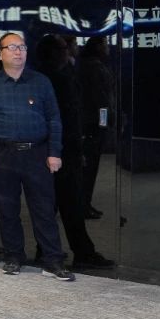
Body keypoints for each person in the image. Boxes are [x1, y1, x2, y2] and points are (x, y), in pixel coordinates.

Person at [0, 33, 75, 282]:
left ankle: (53, 260)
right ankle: (13, 256)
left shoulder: (41, 82)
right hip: (2, 154)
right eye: (12, 47)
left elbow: (54, 119)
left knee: (43, 210)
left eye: (22, 47)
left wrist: (54, 152)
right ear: (0, 53)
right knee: (7, 209)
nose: (18, 51)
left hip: (37, 154)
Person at [35, 35, 114, 270]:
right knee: (70, 202)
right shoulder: (62, 79)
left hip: (48, 148)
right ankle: (82, 252)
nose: (69, 51)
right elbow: (73, 115)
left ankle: (46, 250)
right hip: (64, 149)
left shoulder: (41, 77)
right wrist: (81, 143)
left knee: (52, 204)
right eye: (64, 48)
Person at [78, 36, 114, 220]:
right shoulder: (95, 68)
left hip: (89, 121)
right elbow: (101, 100)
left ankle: (84, 203)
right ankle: (83, 205)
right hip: (94, 123)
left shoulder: (86, 66)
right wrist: (104, 123)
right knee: (90, 166)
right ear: (98, 46)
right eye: (105, 44)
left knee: (88, 167)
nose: (108, 47)